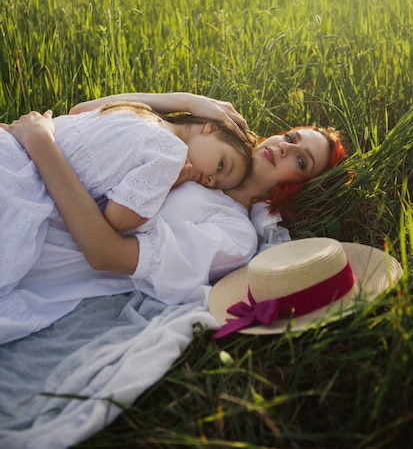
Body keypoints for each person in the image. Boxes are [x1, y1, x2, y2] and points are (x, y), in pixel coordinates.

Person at [0, 93, 347, 343]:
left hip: (28, 241)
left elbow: (104, 254)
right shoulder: (204, 150)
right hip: (20, 174)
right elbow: (86, 113)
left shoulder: (235, 235)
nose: (287, 147)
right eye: (290, 137)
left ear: (293, 189)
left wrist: (40, 142)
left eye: (301, 162)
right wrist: (186, 102)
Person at [0, 100, 253, 296]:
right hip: (22, 186)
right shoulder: (172, 156)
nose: (209, 180)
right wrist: (171, 181)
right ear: (210, 128)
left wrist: (184, 101)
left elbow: (78, 111)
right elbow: (117, 218)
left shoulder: (139, 112)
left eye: (216, 185)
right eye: (221, 166)